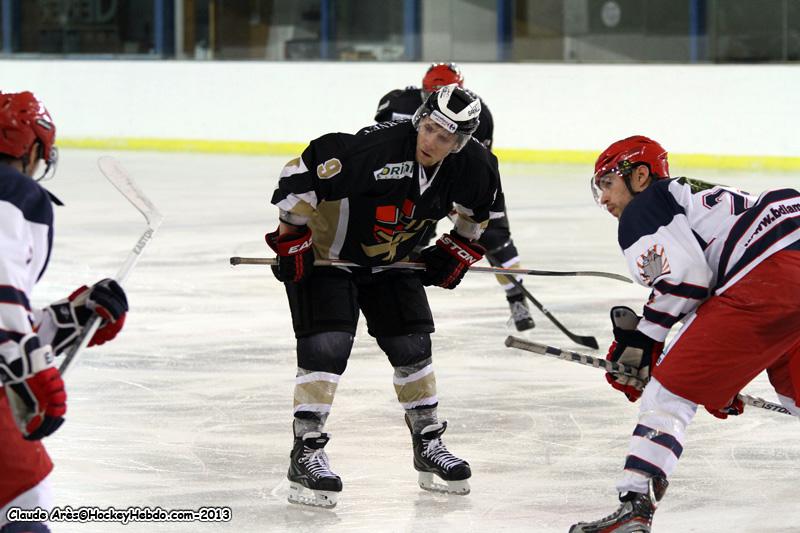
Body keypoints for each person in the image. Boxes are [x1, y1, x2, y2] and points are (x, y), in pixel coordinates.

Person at [269, 85, 499, 508]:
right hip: (330, 260)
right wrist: (291, 241)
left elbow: (478, 215)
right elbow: (298, 176)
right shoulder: (374, 149)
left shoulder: (475, 168)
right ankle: (306, 450)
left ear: (461, 142)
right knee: (328, 344)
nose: (431, 141)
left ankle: (428, 444)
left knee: (412, 342)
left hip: (395, 262)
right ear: (420, 120)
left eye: (444, 137)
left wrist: (455, 251)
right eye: (428, 128)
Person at [570, 135, 800, 532]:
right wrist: (719, 378)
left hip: (770, 274)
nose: (604, 199)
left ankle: (635, 505)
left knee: (669, 391)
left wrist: (642, 343)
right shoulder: (692, 200)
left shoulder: (645, 207)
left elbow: (687, 282)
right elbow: (717, 300)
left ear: (640, 175)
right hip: (784, 250)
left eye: (607, 183)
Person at [0, 92, 129, 533]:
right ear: (33, 149)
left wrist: (72, 317)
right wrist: (29, 369)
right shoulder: (13, 193)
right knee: (23, 500)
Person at [375, 62, 534, 331]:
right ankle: (398, 296)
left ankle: (517, 298)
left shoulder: (478, 114)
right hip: (411, 181)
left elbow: (475, 167)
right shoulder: (397, 103)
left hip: (455, 181)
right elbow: (381, 145)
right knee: (407, 239)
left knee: (494, 237)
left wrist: (459, 200)